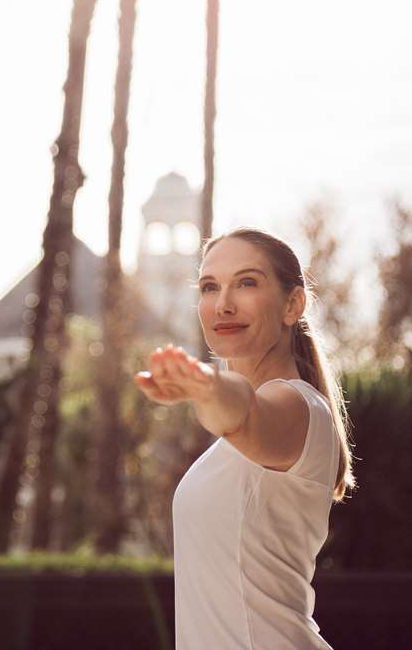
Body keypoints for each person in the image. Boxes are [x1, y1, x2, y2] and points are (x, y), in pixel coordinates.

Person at [134, 227, 354, 650]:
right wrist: (210, 392)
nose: (223, 304)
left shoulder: (298, 407)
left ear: (293, 304)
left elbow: (245, 413)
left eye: (247, 283)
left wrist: (206, 387)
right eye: (210, 287)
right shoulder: (229, 446)